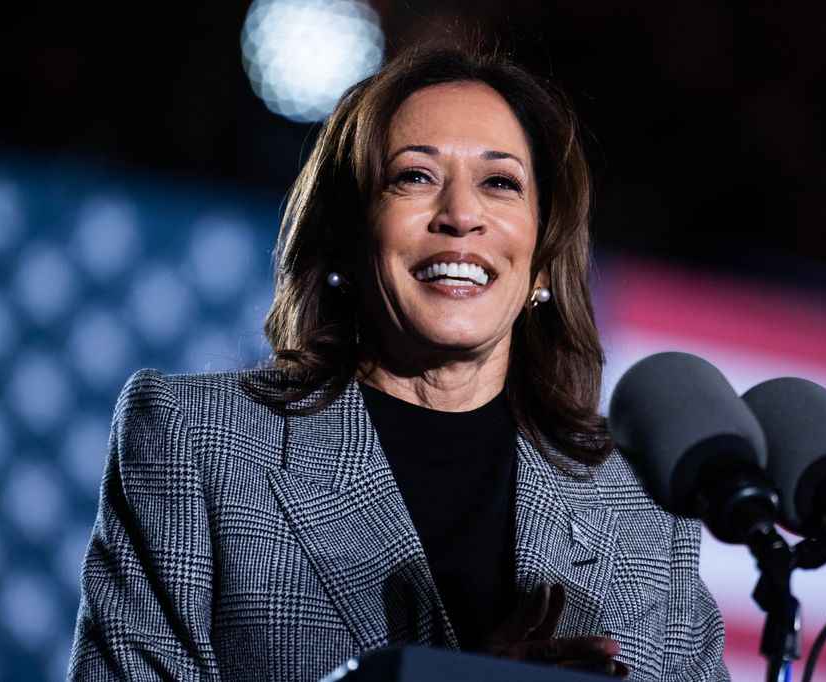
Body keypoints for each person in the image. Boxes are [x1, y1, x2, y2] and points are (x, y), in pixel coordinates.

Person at [68, 43, 729, 681]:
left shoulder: (644, 507)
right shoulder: (197, 441)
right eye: (415, 176)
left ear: (544, 262)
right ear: (346, 239)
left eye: (500, 183)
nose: (462, 214)